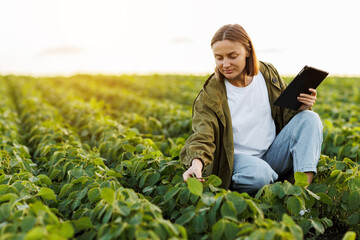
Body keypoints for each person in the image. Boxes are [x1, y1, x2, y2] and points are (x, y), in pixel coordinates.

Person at [180, 24, 323, 194]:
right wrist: (196, 164)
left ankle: (301, 195)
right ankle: (270, 190)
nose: (225, 64)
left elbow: (288, 116)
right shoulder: (210, 95)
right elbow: (203, 135)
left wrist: (302, 107)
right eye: (219, 58)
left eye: (232, 56)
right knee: (259, 174)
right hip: (236, 162)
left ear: (248, 51)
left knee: (310, 118)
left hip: (272, 154)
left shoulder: (268, 74)